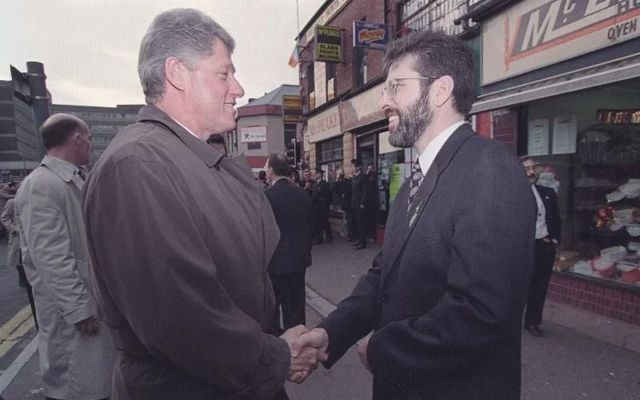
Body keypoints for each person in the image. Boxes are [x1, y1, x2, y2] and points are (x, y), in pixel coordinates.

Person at [82, 9, 324, 400]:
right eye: (224, 73)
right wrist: (277, 356)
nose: (239, 88)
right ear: (177, 74)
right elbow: (181, 321)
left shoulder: (192, 161)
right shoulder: (138, 165)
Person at [293, 30, 536, 400]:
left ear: (440, 91)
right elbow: (385, 275)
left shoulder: (490, 170)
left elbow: (482, 312)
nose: (384, 101)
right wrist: (332, 332)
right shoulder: (414, 182)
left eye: (396, 86)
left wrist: (383, 347)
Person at [15, 113, 115, 400]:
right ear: (75, 138)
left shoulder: (66, 180)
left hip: (86, 300)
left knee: (93, 382)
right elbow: (50, 257)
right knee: (75, 385)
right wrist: (78, 309)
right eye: (89, 139)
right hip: (72, 312)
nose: (91, 146)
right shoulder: (43, 185)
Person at [264, 153, 313, 334]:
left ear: (271, 171)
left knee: (274, 307)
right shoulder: (303, 194)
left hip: (274, 261)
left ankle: (280, 347)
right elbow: (311, 226)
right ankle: (300, 345)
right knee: (296, 307)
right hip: (299, 260)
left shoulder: (266, 197)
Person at [522, 157, 562, 337]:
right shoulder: (511, 195)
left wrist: (553, 240)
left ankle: (532, 322)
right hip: (521, 249)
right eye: (527, 169)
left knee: (539, 287)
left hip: (543, 246)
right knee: (517, 287)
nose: (531, 173)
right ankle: (509, 322)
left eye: (533, 168)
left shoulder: (547, 192)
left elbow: (556, 220)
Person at [1, 189, 38, 330]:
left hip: (30, 238)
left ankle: (26, 278)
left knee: (27, 260)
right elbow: (4, 218)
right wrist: (14, 228)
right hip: (18, 237)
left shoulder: (33, 201)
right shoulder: (12, 202)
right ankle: (22, 278)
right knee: (19, 260)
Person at [350, 159, 369, 249]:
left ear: (359, 167)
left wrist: (362, 203)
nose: (353, 168)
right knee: (357, 223)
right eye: (353, 166)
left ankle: (363, 242)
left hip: (360, 204)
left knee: (361, 223)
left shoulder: (363, 177)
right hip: (354, 203)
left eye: (354, 166)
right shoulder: (354, 177)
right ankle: (359, 240)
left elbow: (365, 191)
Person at [311, 167, 333, 244]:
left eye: (316, 174)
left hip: (323, 206)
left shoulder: (325, 184)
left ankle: (329, 237)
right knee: (317, 223)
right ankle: (319, 239)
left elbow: (328, 195)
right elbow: (314, 195)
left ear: (320, 174)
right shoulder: (315, 184)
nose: (315, 175)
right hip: (316, 206)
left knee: (325, 222)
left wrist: (328, 204)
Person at [331, 169, 353, 240]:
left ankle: (350, 235)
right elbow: (333, 188)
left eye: (341, 174)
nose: (340, 176)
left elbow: (348, 190)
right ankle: (347, 233)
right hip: (342, 204)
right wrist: (337, 179)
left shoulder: (347, 181)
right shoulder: (337, 183)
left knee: (349, 220)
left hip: (349, 204)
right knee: (346, 220)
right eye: (339, 174)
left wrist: (343, 193)